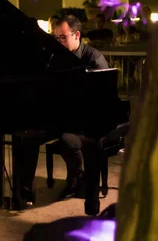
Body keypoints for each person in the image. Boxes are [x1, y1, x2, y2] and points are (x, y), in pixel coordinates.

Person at [19, 15, 108, 214]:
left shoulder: (93, 59)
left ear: (77, 35)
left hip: (86, 120)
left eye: (62, 37)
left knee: (72, 141)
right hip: (59, 117)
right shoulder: (54, 59)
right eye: (55, 38)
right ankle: (25, 188)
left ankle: (77, 181)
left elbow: (100, 101)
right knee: (29, 135)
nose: (58, 43)